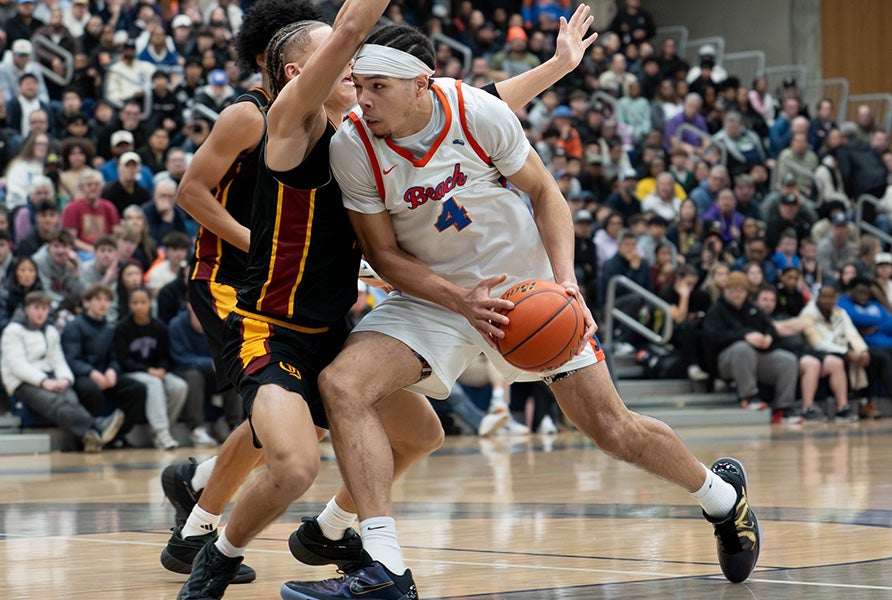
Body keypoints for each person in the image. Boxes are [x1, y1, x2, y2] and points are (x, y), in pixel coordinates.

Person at [284, 24, 762, 600]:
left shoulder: (475, 112)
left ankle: (721, 498)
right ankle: (382, 565)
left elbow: (545, 194)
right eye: (359, 85)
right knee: (344, 385)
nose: (361, 99)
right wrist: (458, 299)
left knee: (612, 431)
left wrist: (566, 283)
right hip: (433, 297)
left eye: (377, 87)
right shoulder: (353, 144)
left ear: (421, 85)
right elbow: (383, 253)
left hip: (526, 295)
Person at [168, 4, 603, 596]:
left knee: (422, 434)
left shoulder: (368, 136)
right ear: (304, 74)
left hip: (332, 327)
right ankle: (208, 546)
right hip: (270, 320)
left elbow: (479, 98)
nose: (357, 66)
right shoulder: (288, 126)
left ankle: (326, 529)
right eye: (345, 62)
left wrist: (557, 66)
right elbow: (350, 30)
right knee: (293, 461)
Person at [1, 289, 124, 450]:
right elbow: (17, 365)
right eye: (36, 308)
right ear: (26, 309)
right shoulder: (13, 331)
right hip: (21, 382)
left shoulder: (51, 331)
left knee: (70, 397)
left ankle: (90, 438)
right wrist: (44, 381)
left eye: (44, 309)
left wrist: (65, 379)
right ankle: (97, 425)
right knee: (55, 402)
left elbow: (58, 360)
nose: (40, 313)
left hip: (51, 377)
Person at [702, 271, 799, 415]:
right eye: (734, 290)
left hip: (755, 356)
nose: (738, 294)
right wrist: (744, 335)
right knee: (743, 348)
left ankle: (783, 407)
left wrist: (768, 338)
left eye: (741, 291)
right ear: (726, 290)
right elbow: (713, 338)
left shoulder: (752, 308)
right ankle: (749, 396)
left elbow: (770, 327)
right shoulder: (716, 311)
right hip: (726, 361)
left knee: (788, 360)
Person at [61, 284, 149, 441]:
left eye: (107, 300)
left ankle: (116, 437)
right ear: (87, 302)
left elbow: (114, 356)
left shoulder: (109, 328)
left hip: (104, 375)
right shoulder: (75, 326)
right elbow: (71, 359)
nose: (103, 304)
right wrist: (92, 373)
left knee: (137, 390)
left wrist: (112, 370)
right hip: (82, 376)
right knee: (90, 390)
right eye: (98, 299)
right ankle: (91, 436)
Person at [114, 287, 187, 449]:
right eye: (135, 302)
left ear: (150, 304)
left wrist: (161, 369)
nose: (139, 306)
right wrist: (149, 371)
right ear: (129, 305)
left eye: (143, 302)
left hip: (155, 372)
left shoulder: (159, 327)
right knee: (154, 383)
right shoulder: (122, 328)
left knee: (179, 386)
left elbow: (164, 356)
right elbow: (123, 360)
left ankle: (160, 432)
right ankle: (162, 434)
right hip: (132, 373)